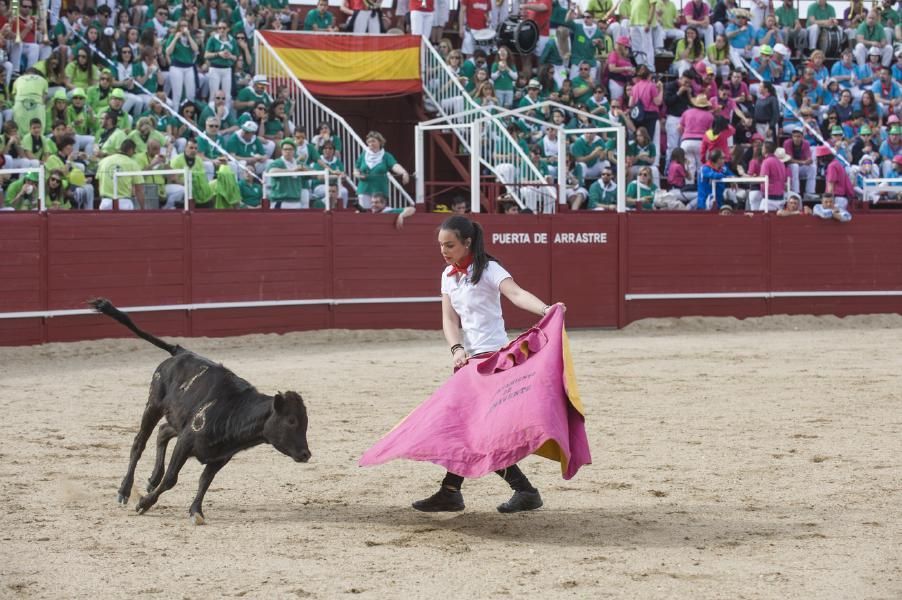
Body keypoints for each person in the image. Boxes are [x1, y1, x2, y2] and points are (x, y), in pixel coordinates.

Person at [412, 215, 561, 514]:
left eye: (450, 245)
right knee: (467, 428)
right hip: (470, 363)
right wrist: (456, 348)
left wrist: (547, 309)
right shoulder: (448, 275)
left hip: (495, 361)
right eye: (441, 245)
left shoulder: (490, 269)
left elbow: (516, 294)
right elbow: (449, 318)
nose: (443, 250)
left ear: (467, 242)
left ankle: (510, 490)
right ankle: (457, 491)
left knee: (476, 429)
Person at [353, 131, 410, 210]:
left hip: (380, 190)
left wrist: (404, 172)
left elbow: (394, 166)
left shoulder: (386, 156)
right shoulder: (363, 155)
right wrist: (358, 175)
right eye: (369, 141)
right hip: (364, 189)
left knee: (379, 214)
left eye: (373, 141)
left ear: (380, 142)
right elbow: (356, 169)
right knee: (364, 214)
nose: (370, 143)